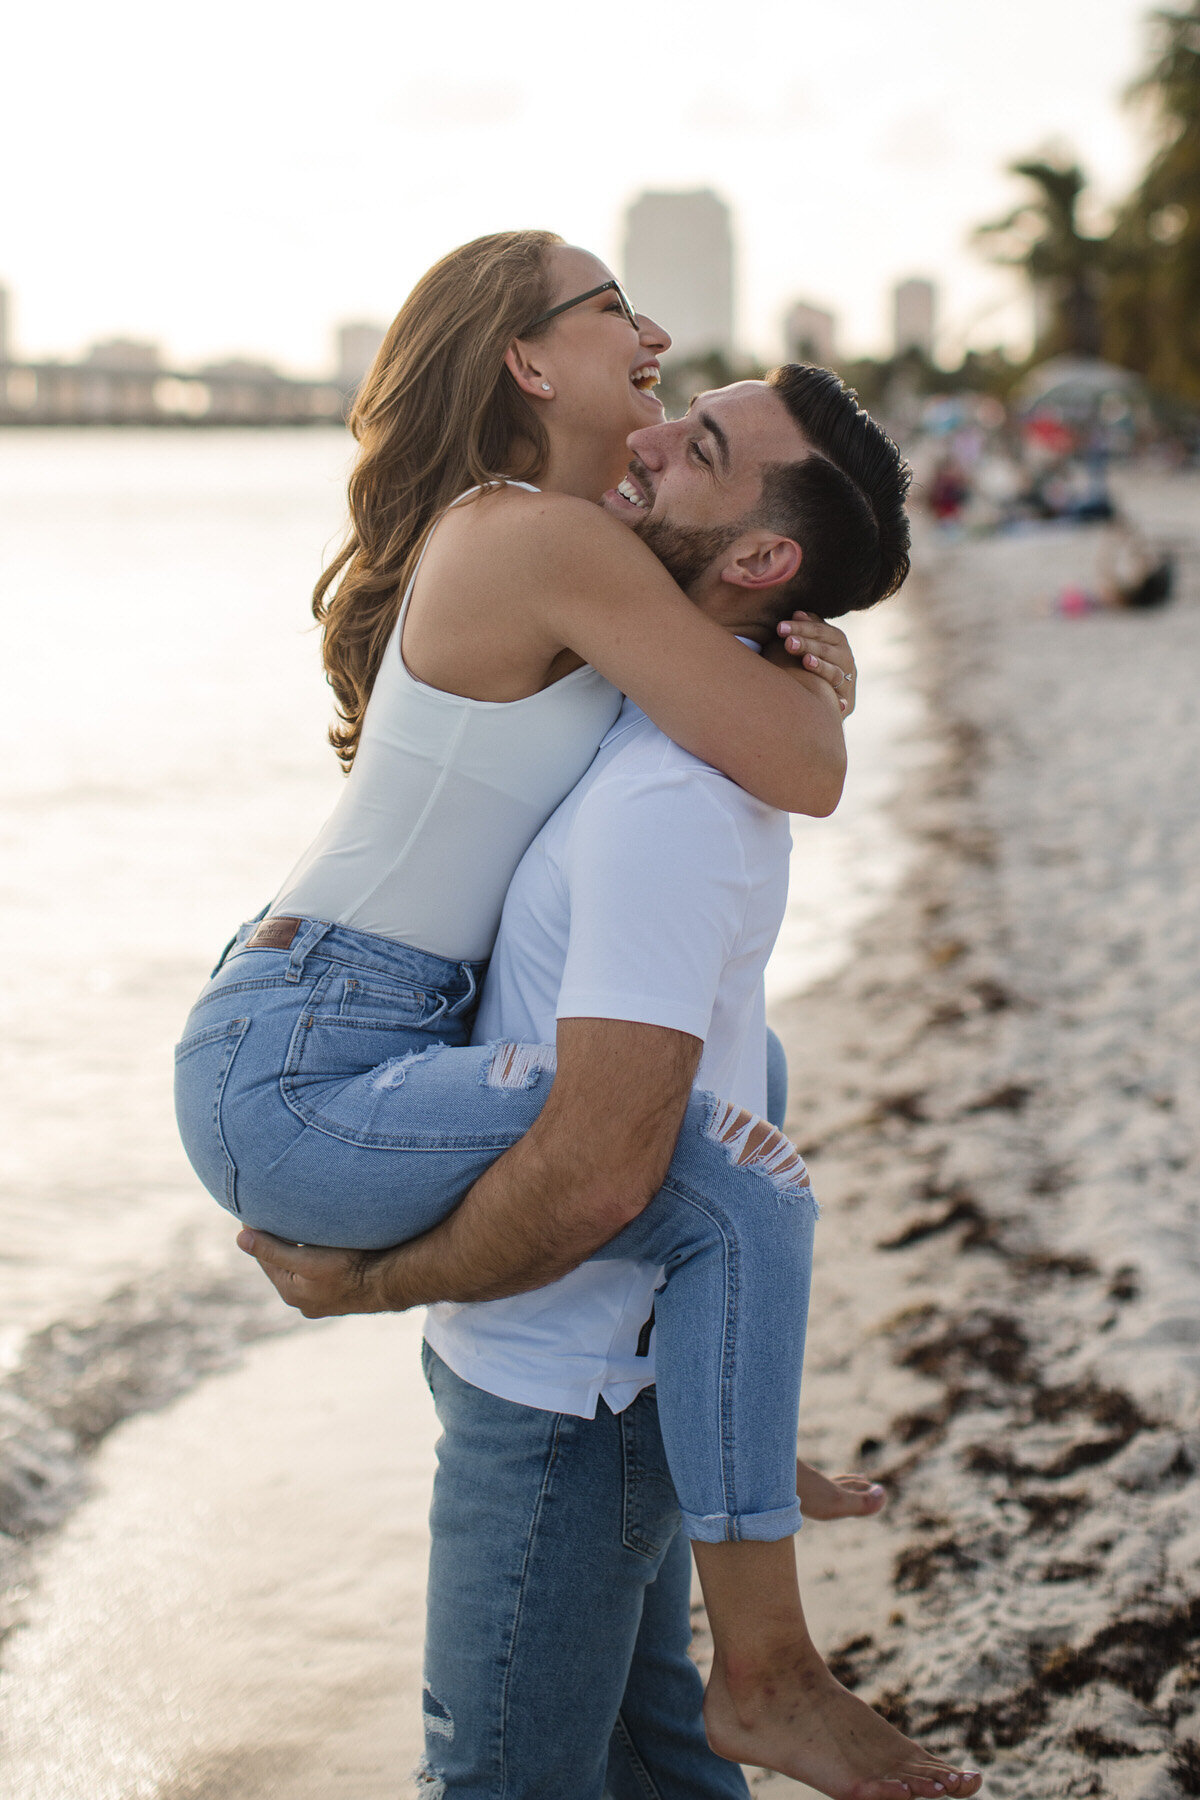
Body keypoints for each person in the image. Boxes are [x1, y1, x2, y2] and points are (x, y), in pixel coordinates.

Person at [232, 364, 982, 1791]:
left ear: (761, 559)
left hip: (559, 1392)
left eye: (695, 445)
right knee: (657, 1773)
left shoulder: (664, 803)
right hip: (609, 1372)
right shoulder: (659, 713)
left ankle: (779, 1667)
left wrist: (363, 1282)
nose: (645, 437)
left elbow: (604, 1160)